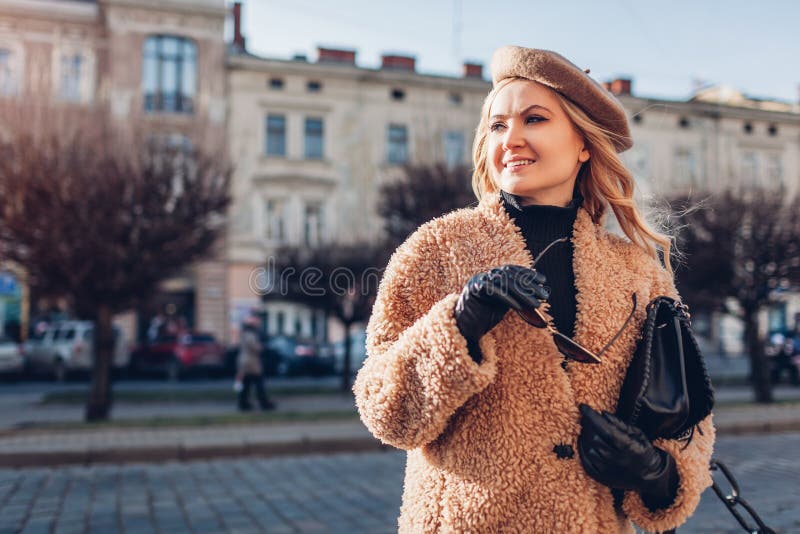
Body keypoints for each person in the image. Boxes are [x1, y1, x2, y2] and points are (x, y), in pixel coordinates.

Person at [354, 46, 715, 533]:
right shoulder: (438, 248)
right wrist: (460, 323)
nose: (512, 139)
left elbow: (687, 420)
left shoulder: (637, 270)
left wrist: (655, 474)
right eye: (498, 125)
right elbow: (385, 411)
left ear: (584, 143)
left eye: (535, 119)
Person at [236, 316, 275, 411]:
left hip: (244, 362)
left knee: (246, 384)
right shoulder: (250, 335)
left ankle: (243, 403)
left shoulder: (244, 334)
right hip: (251, 362)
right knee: (259, 383)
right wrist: (262, 347)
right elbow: (255, 348)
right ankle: (264, 403)